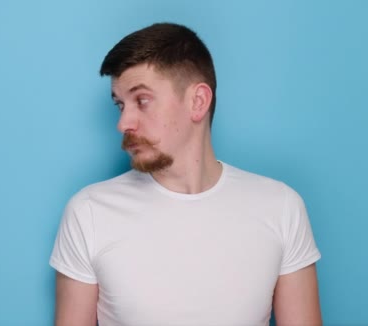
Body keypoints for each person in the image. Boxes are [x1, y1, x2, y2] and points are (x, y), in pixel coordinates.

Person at [49, 22, 322, 326]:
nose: (124, 123)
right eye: (120, 105)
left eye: (142, 101)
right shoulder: (88, 213)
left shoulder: (281, 207)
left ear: (198, 101)